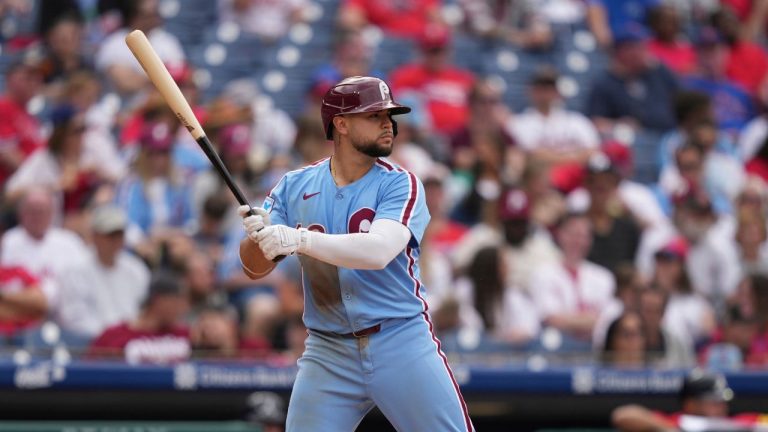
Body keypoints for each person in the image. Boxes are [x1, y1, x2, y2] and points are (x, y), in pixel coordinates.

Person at [238, 76, 474, 431]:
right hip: (328, 351)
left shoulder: (400, 183)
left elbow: (378, 251)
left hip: (400, 339)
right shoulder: (294, 186)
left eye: (389, 115)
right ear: (341, 124)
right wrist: (257, 236)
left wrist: (298, 239)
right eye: (374, 115)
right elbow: (254, 269)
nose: (388, 124)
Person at [55, 204, 150, 339]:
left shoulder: (137, 269)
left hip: (133, 342)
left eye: (119, 235)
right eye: (110, 235)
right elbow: (74, 319)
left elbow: (145, 311)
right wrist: (111, 336)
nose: (115, 241)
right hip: (93, 345)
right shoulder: (75, 270)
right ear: (95, 236)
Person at [88, 271, 190, 365]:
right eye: (176, 302)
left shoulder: (184, 334)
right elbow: (90, 370)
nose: (182, 308)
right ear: (159, 301)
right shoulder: (114, 335)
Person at [612, 369, 767, 431]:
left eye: (722, 401)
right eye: (713, 401)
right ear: (690, 404)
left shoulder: (736, 423)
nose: (721, 406)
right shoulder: (678, 422)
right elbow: (622, 416)